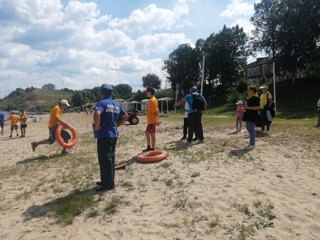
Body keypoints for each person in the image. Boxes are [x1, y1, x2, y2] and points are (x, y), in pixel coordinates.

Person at [93, 84, 128, 192]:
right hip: (113, 135)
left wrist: (97, 127)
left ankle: (108, 185)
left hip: (104, 135)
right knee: (110, 159)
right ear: (111, 93)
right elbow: (126, 116)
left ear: (101, 93)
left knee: (105, 160)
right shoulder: (116, 104)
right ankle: (107, 180)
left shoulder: (102, 103)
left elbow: (97, 114)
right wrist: (117, 125)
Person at [143, 87, 159, 152]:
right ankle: (149, 146)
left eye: (147, 92)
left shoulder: (152, 100)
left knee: (152, 134)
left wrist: (157, 120)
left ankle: (152, 148)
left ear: (150, 92)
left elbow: (156, 111)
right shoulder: (153, 99)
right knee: (147, 133)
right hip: (151, 121)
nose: (146, 93)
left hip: (152, 121)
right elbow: (157, 110)